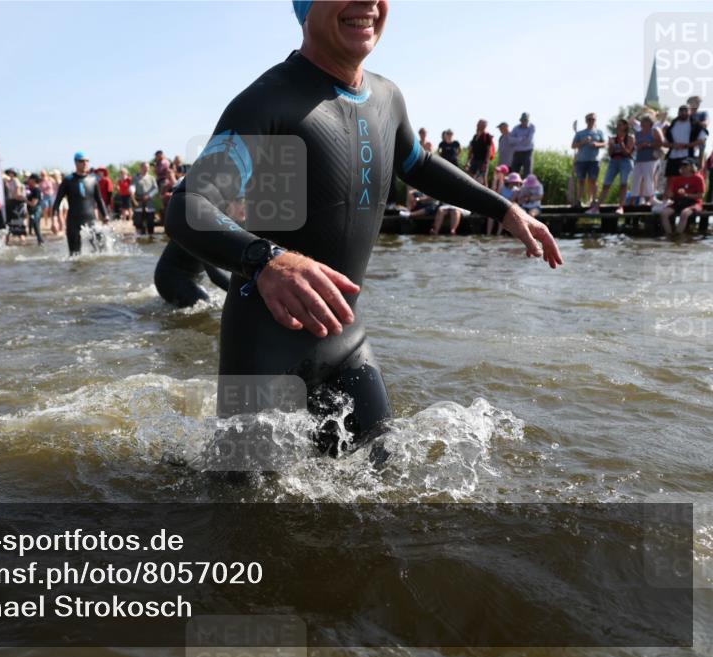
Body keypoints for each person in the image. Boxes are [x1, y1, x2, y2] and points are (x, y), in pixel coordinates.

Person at [164, 0, 562, 463]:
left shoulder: (387, 98)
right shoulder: (270, 102)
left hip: (348, 343)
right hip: (264, 348)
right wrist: (267, 259)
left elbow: (421, 164)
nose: (367, 3)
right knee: (243, 514)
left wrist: (506, 209)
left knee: (383, 484)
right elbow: (187, 204)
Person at [51, 152, 110, 256]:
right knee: (74, 255)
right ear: (76, 162)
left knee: (101, 252)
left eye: (87, 161)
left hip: (90, 220)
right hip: (73, 221)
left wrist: (105, 216)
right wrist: (54, 220)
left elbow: (99, 199)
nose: (85, 163)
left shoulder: (93, 180)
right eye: (82, 161)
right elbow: (57, 202)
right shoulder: (68, 180)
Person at [154, 240, 232, 307]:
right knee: (206, 305)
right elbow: (215, 276)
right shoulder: (203, 232)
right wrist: (241, 293)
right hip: (169, 279)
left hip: (176, 277)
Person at [598, 119, 635, 214]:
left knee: (623, 184)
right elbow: (610, 154)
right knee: (606, 184)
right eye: (617, 125)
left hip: (626, 162)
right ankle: (596, 207)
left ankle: (620, 207)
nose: (617, 126)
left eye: (620, 125)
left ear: (625, 127)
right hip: (614, 162)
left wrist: (621, 144)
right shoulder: (613, 138)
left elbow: (627, 153)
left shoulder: (630, 138)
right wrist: (611, 145)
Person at [659, 158, 705, 236]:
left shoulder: (698, 178)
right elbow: (673, 195)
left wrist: (686, 195)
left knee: (684, 213)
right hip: (679, 202)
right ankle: (669, 235)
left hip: (693, 203)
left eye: (685, 165)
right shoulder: (678, 179)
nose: (683, 167)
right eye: (682, 165)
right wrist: (669, 195)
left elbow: (701, 195)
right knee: (664, 213)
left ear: (692, 167)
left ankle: (677, 235)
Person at [572, 112, 605, 212]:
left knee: (593, 181)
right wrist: (583, 142)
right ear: (586, 121)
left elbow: (604, 144)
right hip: (581, 161)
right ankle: (578, 200)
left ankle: (593, 200)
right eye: (589, 119)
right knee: (581, 181)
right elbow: (573, 146)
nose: (591, 121)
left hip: (594, 161)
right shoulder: (580, 133)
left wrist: (597, 144)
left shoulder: (599, 132)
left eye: (593, 119)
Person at [665, 104, 708, 178]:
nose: (683, 112)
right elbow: (664, 141)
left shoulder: (695, 124)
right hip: (672, 157)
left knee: (685, 180)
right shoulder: (673, 124)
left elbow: (702, 140)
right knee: (670, 182)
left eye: (686, 110)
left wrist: (687, 146)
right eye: (681, 110)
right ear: (678, 112)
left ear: (690, 112)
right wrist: (673, 145)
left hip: (687, 157)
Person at [631, 114, 663, 205]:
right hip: (639, 159)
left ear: (650, 123)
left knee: (648, 179)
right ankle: (633, 202)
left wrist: (648, 145)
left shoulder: (654, 131)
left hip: (651, 159)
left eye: (645, 121)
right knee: (636, 179)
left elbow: (661, 143)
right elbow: (636, 145)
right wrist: (639, 146)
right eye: (642, 121)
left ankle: (651, 199)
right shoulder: (638, 134)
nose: (643, 123)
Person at [132, 161, 158, 237]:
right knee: (139, 224)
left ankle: (151, 238)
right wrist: (132, 193)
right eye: (144, 167)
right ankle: (140, 239)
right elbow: (132, 187)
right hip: (139, 202)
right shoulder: (135, 178)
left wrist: (148, 196)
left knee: (150, 223)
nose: (146, 169)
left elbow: (155, 189)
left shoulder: (152, 178)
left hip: (149, 203)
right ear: (141, 168)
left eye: (147, 167)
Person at [466, 119, 495, 185]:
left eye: (481, 124)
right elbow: (471, 150)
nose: (478, 126)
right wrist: (468, 161)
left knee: (483, 179)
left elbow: (489, 150)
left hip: (482, 161)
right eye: (479, 124)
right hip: (474, 160)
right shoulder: (475, 136)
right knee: (470, 177)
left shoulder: (487, 136)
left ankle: (486, 193)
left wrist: (486, 162)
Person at [510, 112, 535, 177]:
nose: (524, 122)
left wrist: (517, 139)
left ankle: (527, 187)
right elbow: (511, 140)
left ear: (528, 120)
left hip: (527, 152)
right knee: (514, 173)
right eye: (523, 120)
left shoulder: (532, 127)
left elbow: (528, 141)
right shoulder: (516, 128)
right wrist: (521, 139)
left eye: (525, 120)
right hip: (517, 153)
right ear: (520, 120)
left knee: (528, 173)